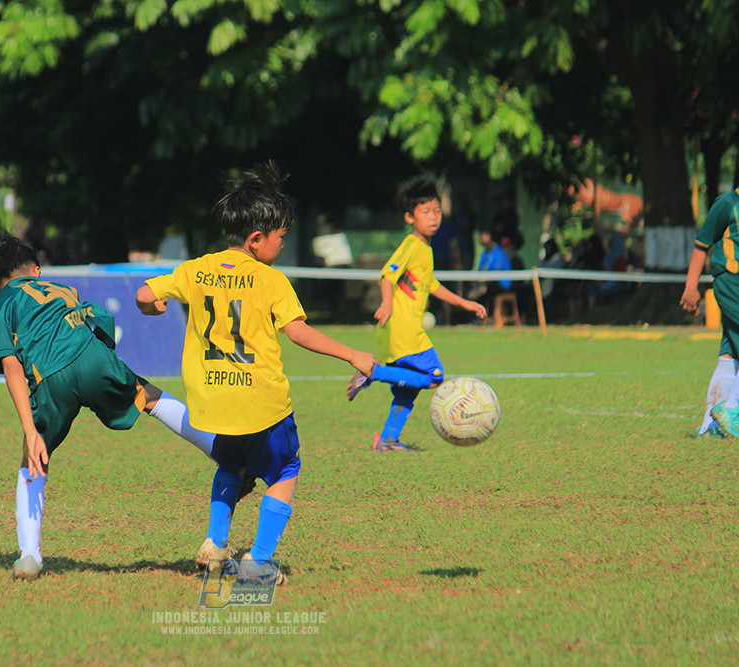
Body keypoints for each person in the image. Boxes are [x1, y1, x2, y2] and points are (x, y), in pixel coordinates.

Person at [136, 162, 375, 585]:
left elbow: (144, 294)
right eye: (281, 237)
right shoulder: (270, 280)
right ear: (255, 239)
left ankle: (214, 544)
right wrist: (352, 353)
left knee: (232, 467)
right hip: (261, 402)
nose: (282, 245)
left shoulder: (194, 270)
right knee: (285, 470)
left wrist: (155, 306)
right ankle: (259, 562)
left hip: (213, 403)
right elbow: (298, 332)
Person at [0, 233, 240, 581]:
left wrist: (30, 430)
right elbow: (89, 324)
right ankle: (224, 451)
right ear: (36, 270)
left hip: (51, 378)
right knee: (150, 397)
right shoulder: (61, 289)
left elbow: (11, 365)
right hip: (93, 358)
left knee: (33, 457)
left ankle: (29, 557)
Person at [347, 176, 486, 451]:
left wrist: (465, 304)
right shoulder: (412, 245)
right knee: (434, 376)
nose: (433, 218)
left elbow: (431, 285)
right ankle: (373, 372)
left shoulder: (425, 248)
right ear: (410, 217)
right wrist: (386, 303)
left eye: (437, 211)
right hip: (403, 329)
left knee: (407, 389)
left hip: (396, 331)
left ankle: (387, 440)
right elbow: (387, 275)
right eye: (426, 212)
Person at [681, 186, 739, 437]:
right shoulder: (728, 203)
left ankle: (710, 426)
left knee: (730, 352)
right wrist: (691, 286)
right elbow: (702, 244)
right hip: (731, 281)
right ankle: (732, 410)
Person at [467, 229, 512, 315]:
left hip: (501, 284)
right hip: (488, 282)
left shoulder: (498, 252)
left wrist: (482, 283)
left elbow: (496, 273)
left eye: (484, 236)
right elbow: (481, 270)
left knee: (483, 291)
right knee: (473, 289)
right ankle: (474, 317)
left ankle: (485, 316)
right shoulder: (484, 253)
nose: (482, 238)